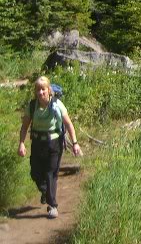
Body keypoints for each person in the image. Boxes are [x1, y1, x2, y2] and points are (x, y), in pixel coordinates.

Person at [18, 76, 82, 219]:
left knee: (50, 173)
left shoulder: (57, 105)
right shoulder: (32, 105)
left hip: (54, 144)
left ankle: (52, 206)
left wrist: (75, 143)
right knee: (35, 172)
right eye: (38, 89)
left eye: (43, 89)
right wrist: (21, 143)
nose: (41, 92)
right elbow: (24, 126)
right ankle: (45, 191)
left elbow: (69, 124)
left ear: (48, 90)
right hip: (37, 143)